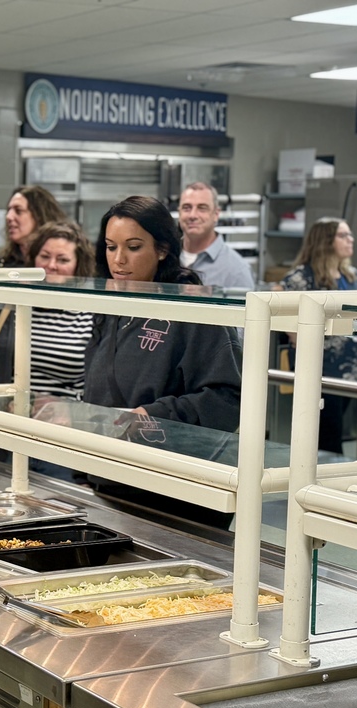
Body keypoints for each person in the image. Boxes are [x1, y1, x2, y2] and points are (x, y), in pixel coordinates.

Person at [84, 195, 244, 529]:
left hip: (176, 488)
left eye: (133, 247)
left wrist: (154, 415)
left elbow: (228, 398)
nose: (119, 260)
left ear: (162, 249)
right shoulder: (112, 304)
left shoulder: (193, 309)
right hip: (114, 477)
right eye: (111, 247)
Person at [0, 221, 96, 480]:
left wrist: (71, 408)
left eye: (63, 259)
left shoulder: (92, 314)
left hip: (63, 443)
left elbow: (101, 386)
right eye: (44, 256)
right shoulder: (10, 304)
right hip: (6, 434)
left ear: (79, 266)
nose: (51, 265)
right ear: (32, 259)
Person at [278, 217, 357, 454]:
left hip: (351, 369)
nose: (350, 239)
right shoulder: (302, 277)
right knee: (327, 436)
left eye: (350, 234)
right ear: (325, 240)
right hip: (320, 370)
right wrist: (298, 339)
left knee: (334, 430)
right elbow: (278, 304)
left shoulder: (351, 275)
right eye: (343, 235)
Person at [178, 181, 255, 291]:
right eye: (186, 208)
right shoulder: (167, 258)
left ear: (216, 214)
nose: (193, 215)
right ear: (179, 212)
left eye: (202, 208)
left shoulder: (237, 271)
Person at [0, 185, 68, 267]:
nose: (9, 217)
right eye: (9, 211)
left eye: (18, 211)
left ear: (38, 215)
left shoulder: (55, 264)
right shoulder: (2, 265)